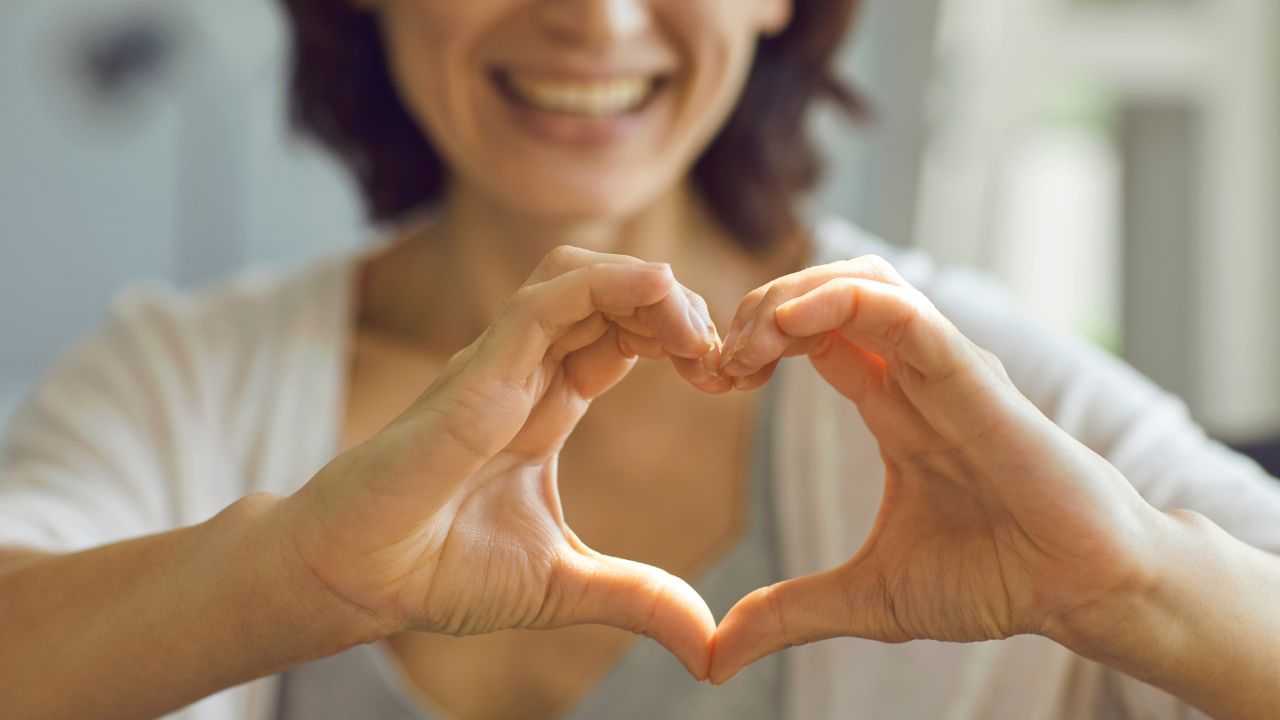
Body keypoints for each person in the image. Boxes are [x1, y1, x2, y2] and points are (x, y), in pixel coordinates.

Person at [1, 0, 1278, 718]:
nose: (593, 20)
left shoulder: (972, 377)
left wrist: (1125, 582)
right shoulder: (180, 376)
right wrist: (286, 578)